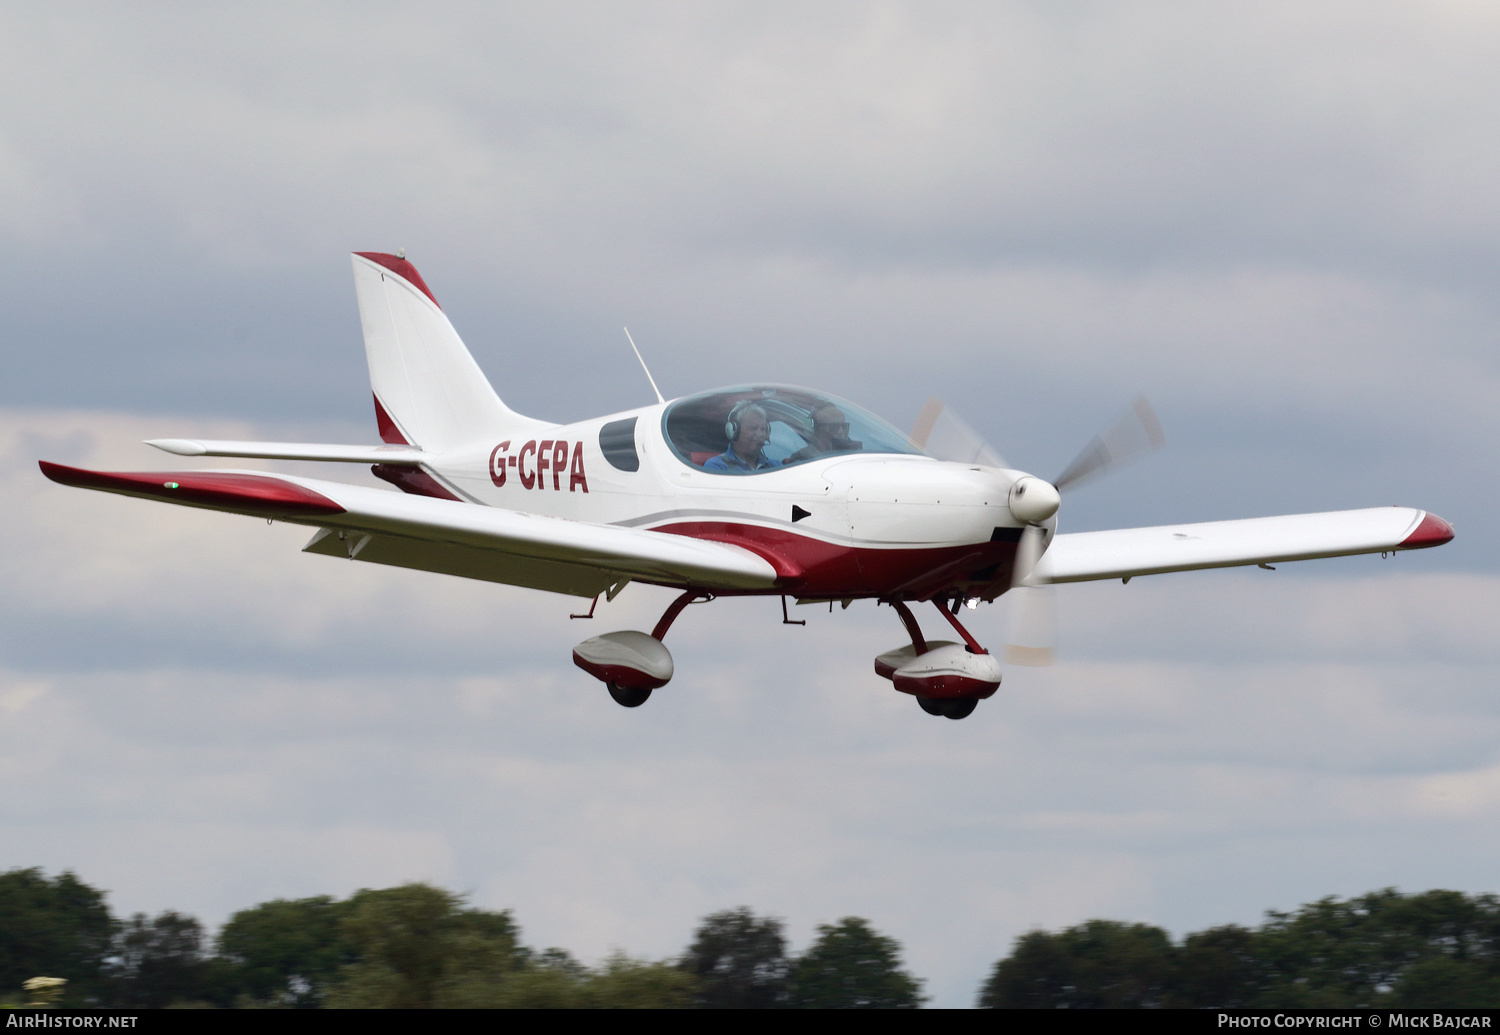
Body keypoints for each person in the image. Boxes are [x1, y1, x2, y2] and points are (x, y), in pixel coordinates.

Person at [703, 402, 777, 473]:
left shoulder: (776, 466)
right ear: (734, 431)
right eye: (753, 428)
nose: (759, 434)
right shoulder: (716, 466)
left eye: (763, 429)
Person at [784, 403, 861, 464]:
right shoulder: (803, 459)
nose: (840, 431)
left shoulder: (854, 455)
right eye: (834, 427)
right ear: (818, 430)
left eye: (844, 426)